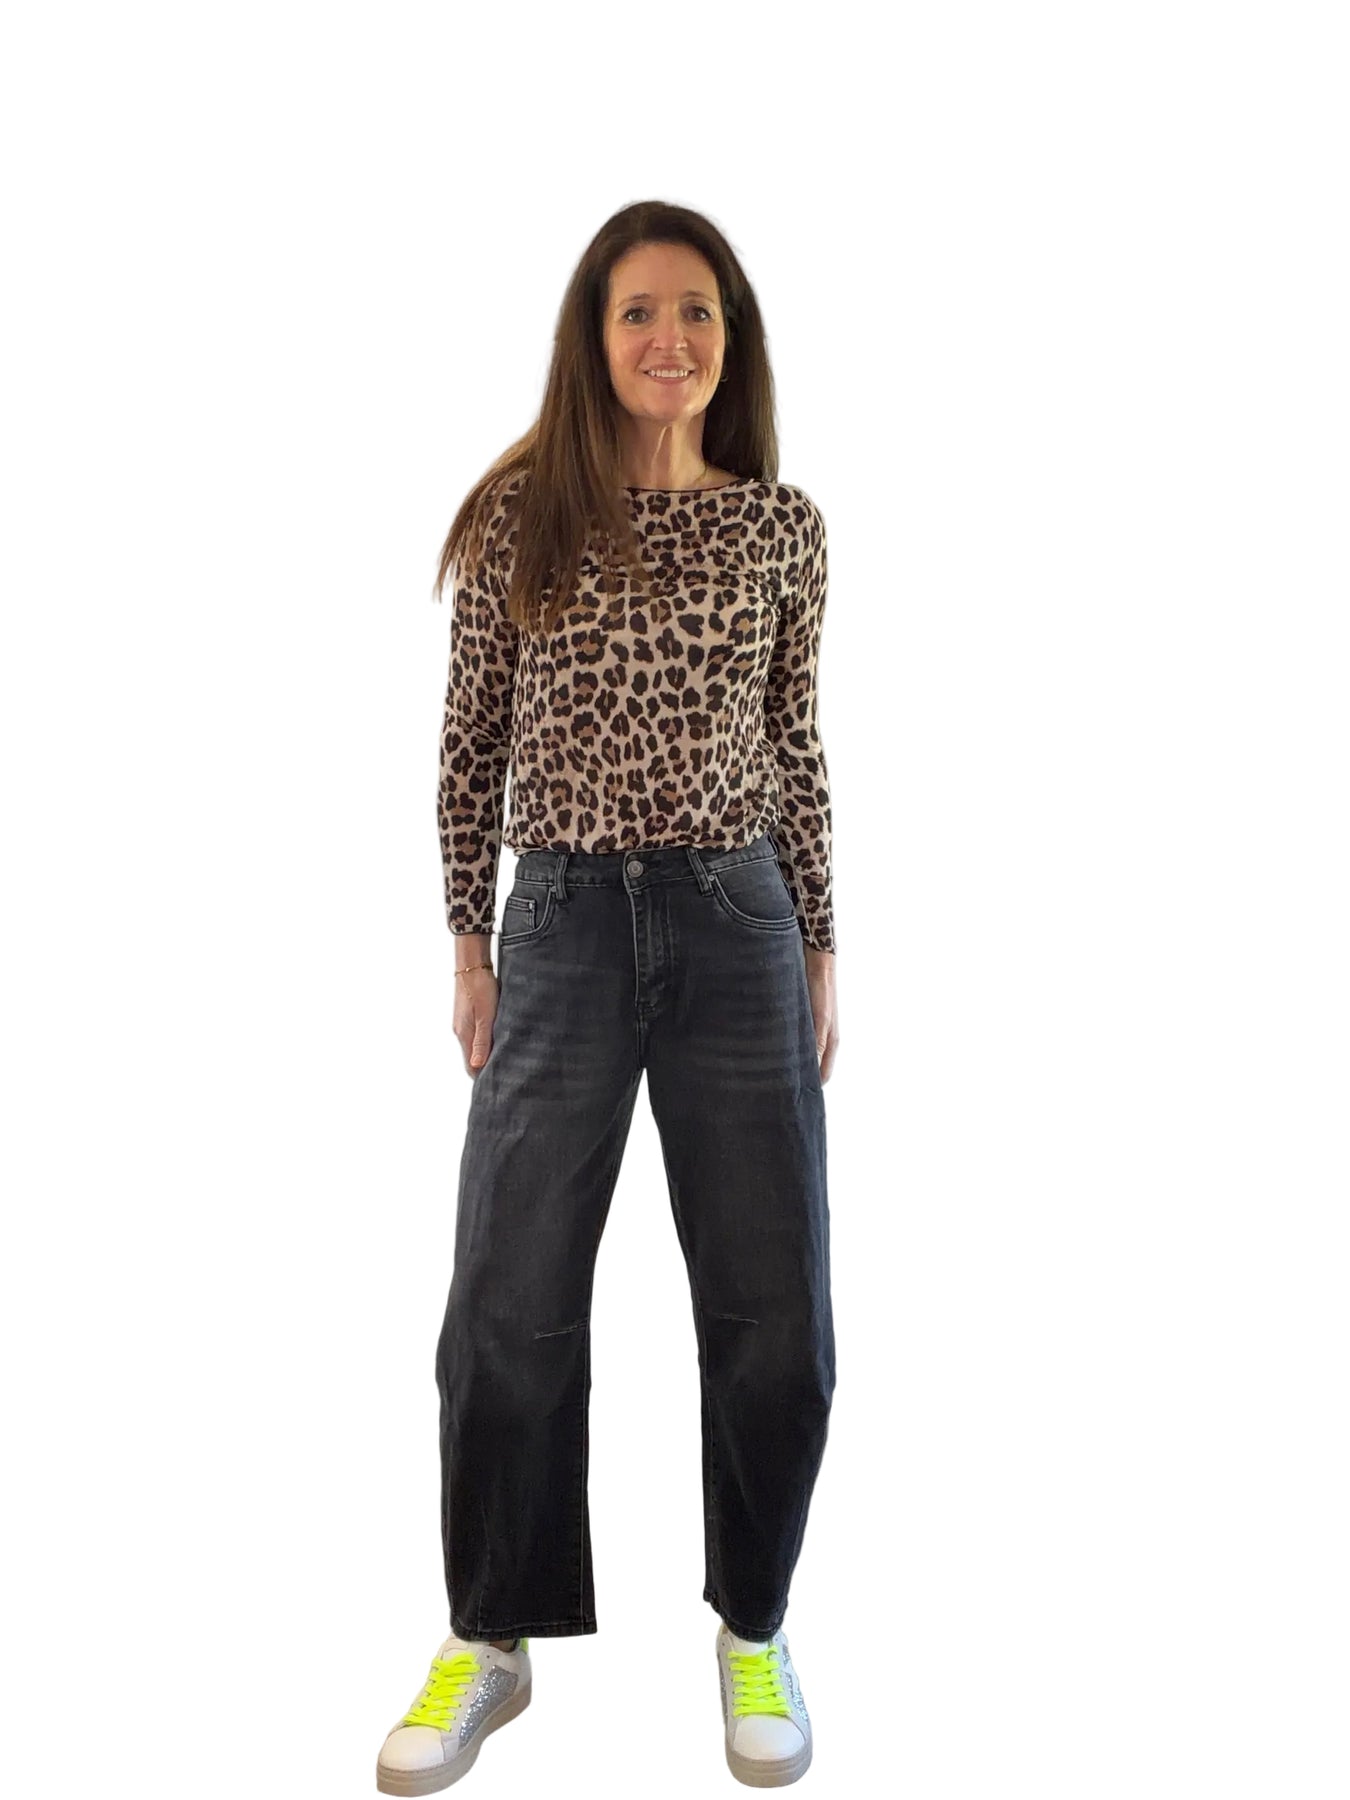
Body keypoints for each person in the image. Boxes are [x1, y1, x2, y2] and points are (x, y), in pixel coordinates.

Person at [376, 200, 839, 1794]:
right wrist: (468, 945)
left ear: (730, 340)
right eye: (638, 311)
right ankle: (488, 1636)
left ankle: (754, 1622)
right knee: (504, 1305)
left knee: (775, 1315)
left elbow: (793, 741)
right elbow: (467, 746)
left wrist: (822, 940)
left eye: (696, 311)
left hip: (737, 924)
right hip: (561, 926)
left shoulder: (780, 527)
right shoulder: (525, 514)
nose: (668, 339)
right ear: (592, 335)